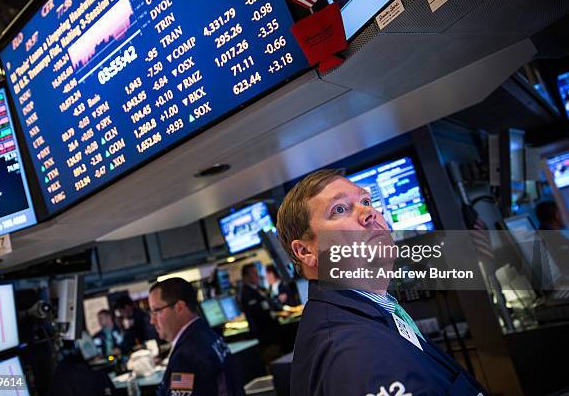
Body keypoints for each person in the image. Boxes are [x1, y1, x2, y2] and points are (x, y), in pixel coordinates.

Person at [276, 169, 489, 395]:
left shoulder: (373, 312)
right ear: (305, 251)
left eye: (366, 201)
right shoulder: (358, 351)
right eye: (339, 209)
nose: (369, 212)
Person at [148, 278, 244, 396]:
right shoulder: (208, 335)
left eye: (156, 311)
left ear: (180, 307)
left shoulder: (186, 357)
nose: (152, 321)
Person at [240, 264, 282, 354]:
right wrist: (274, 314)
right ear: (246, 277)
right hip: (265, 335)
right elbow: (259, 315)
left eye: (257, 273)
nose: (257, 276)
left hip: (272, 331)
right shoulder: (247, 294)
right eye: (254, 273)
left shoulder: (258, 289)